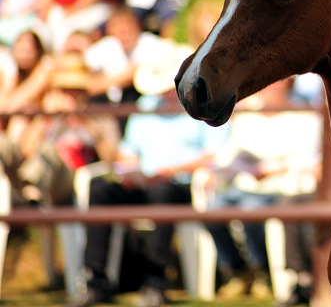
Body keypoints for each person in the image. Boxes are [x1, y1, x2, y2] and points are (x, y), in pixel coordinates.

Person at [68, 39, 229, 307]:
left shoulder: (202, 103)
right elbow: (129, 149)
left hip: (179, 183)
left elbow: (215, 153)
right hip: (146, 181)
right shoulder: (146, 105)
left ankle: (155, 280)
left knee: (162, 192)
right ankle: (95, 280)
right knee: (100, 192)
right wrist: (131, 171)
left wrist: (172, 169)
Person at [203, 78, 323, 301]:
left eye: (279, 82)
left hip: (283, 186)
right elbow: (231, 153)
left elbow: (305, 159)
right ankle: (238, 270)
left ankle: (262, 271)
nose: (273, 86)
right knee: (211, 211)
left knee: (251, 212)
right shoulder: (246, 112)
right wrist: (216, 171)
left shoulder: (305, 112)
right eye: (270, 82)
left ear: (290, 84)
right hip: (246, 183)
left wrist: (267, 169)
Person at [0, 51, 120, 206]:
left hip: (73, 176)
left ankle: (30, 198)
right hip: (37, 171)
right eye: (64, 88)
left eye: (75, 89)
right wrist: (45, 118)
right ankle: (29, 196)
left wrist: (87, 125)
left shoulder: (99, 116)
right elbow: (26, 151)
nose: (70, 94)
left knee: (49, 151)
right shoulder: (49, 113)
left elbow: (112, 160)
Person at [0, 31, 54, 144]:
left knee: (21, 117)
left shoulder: (45, 67)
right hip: (12, 123)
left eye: (27, 51)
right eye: (19, 51)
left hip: (38, 127)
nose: (22, 55)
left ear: (37, 51)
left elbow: (9, 104)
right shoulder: (13, 70)